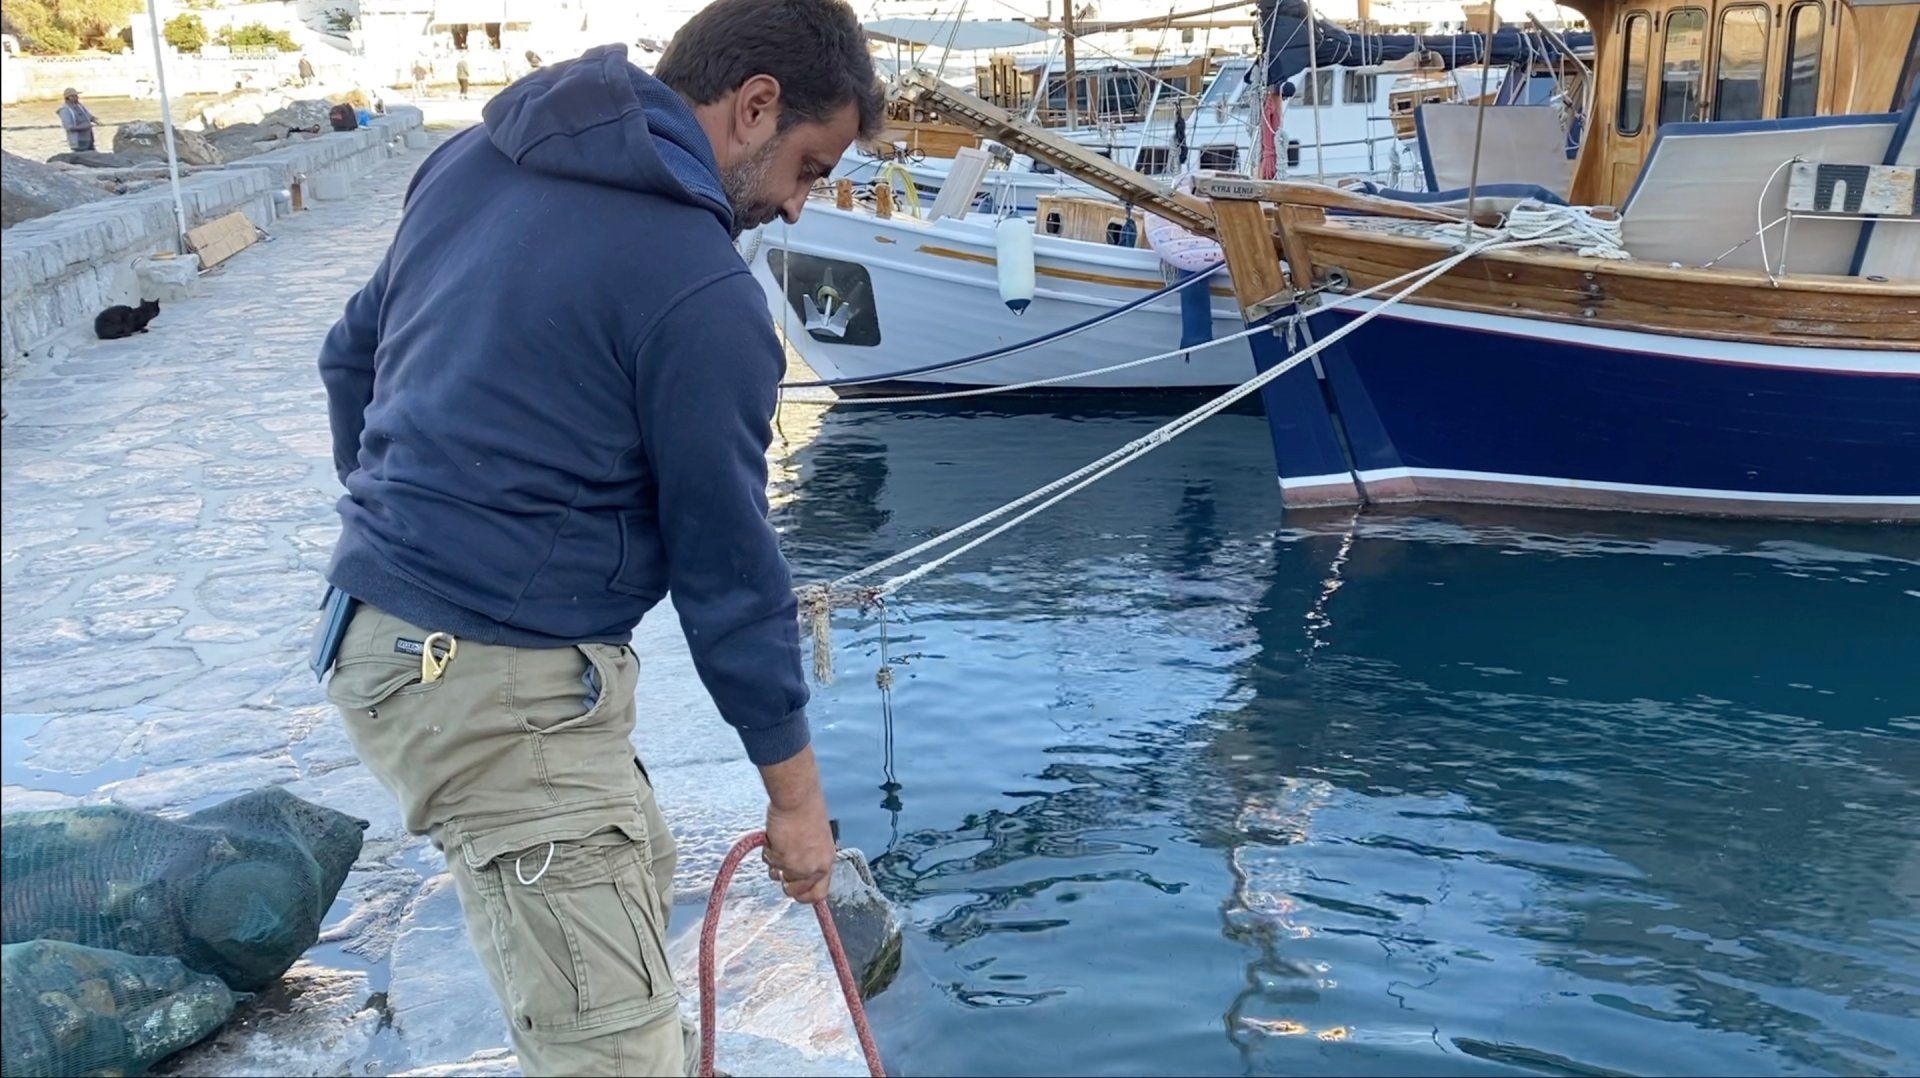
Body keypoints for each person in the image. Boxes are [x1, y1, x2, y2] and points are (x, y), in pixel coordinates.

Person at [314, 1, 881, 1074]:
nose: (800, 208)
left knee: (632, 937)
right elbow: (728, 578)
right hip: (489, 676)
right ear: (754, 105)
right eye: (808, 167)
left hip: (385, 634)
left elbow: (352, 356)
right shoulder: (702, 293)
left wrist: (406, 535)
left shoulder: (474, 159)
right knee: (615, 1054)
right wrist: (797, 807)